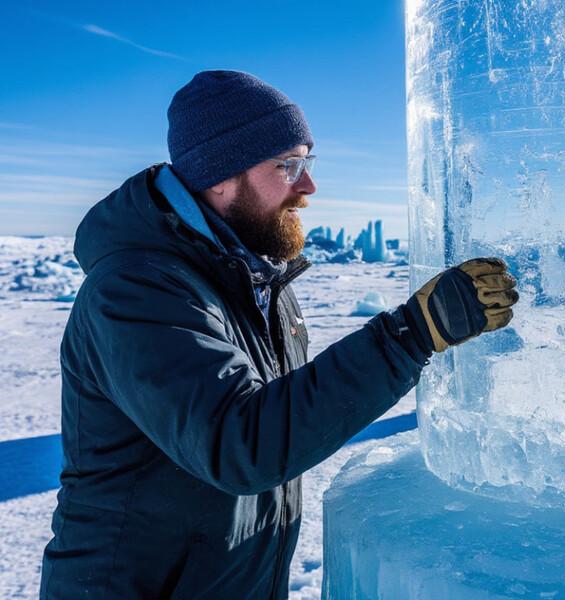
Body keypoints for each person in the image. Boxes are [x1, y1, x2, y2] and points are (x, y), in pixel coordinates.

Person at [39, 70, 518, 599]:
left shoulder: (257, 279)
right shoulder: (135, 291)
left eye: (307, 163)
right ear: (218, 176)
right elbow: (240, 443)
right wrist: (409, 335)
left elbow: (285, 416)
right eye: (287, 166)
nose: (308, 186)